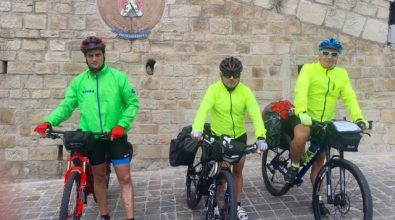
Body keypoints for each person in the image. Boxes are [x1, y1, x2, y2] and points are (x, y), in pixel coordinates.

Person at [34, 36, 139, 220]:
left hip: (116, 137)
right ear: (86, 57)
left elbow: (132, 103)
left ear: (104, 55)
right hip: (93, 139)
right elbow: (67, 106)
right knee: (98, 178)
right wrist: (49, 121)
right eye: (90, 56)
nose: (94, 59)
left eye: (98, 54)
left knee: (125, 179)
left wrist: (121, 125)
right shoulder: (79, 82)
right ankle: (105, 216)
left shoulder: (118, 78)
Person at [285, 37, 369, 216]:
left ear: (337, 57)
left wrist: (359, 118)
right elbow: (301, 90)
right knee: (300, 136)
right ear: (319, 54)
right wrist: (302, 111)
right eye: (326, 53)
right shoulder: (308, 69)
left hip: (325, 122)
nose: (329, 57)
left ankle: (319, 199)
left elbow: (349, 97)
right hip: (305, 116)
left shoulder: (341, 74)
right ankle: (293, 164)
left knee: (319, 161)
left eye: (334, 54)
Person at [191, 56, 268, 220]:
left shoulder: (245, 91)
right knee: (222, 172)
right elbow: (203, 109)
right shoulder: (214, 90)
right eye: (227, 74)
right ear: (221, 74)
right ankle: (214, 204)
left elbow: (255, 114)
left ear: (240, 74)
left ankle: (237, 205)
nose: (231, 78)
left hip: (239, 136)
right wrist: (197, 128)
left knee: (238, 170)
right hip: (219, 136)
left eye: (235, 74)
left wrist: (261, 136)